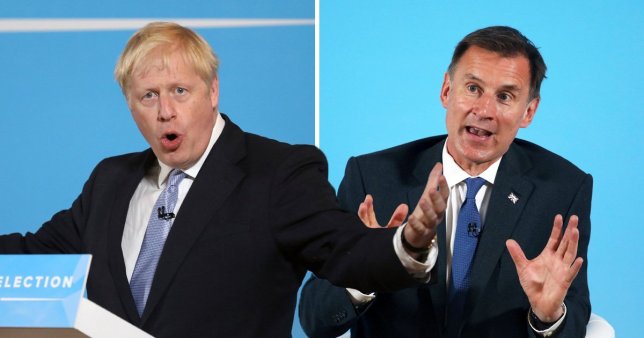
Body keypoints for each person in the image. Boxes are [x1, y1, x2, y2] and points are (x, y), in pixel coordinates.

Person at [0, 22, 448, 337]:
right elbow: (31, 253)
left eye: (180, 91)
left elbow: (345, 249)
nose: (165, 112)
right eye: (148, 96)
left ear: (212, 92)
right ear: (130, 104)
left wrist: (409, 242)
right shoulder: (110, 181)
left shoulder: (278, 171)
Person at [299, 26, 591, 338]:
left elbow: (572, 317)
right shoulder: (374, 179)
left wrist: (548, 317)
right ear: (446, 91)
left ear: (528, 112)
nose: (484, 111)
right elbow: (315, 319)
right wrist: (368, 271)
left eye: (505, 96)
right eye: (473, 89)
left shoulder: (562, 189)